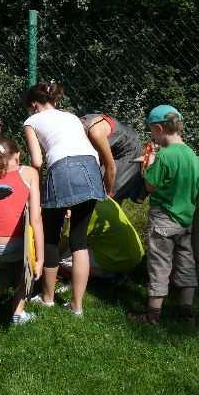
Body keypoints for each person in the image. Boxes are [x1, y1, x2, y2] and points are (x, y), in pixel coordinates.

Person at [24, 82, 105, 316]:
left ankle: (48, 298)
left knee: (51, 236)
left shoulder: (32, 121)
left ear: (34, 104)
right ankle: (77, 306)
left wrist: (36, 187)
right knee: (79, 240)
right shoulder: (72, 117)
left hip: (63, 168)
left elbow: (37, 161)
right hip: (91, 168)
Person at [131, 105, 199, 324]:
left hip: (163, 219)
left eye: (152, 131)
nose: (153, 136)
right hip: (186, 220)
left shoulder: (164, 156)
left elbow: (150, 186)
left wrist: (148, 166)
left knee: (159, 265)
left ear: (159, 129)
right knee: (186, 262)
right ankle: (186, 310)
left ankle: (152, 314)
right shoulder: (192, 156)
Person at [0, 139, 44, 326]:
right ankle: (18, 313)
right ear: (17, 155)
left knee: (3, 269)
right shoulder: (30, 173)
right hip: (11, 247)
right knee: (24, 266)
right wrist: (40, 259)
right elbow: (36, 219)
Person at [81, 113, 142, 201]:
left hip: (129, 146)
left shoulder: (95, 133)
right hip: (108, 140)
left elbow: (111, 168)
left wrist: (107, 194)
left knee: (114, 187)